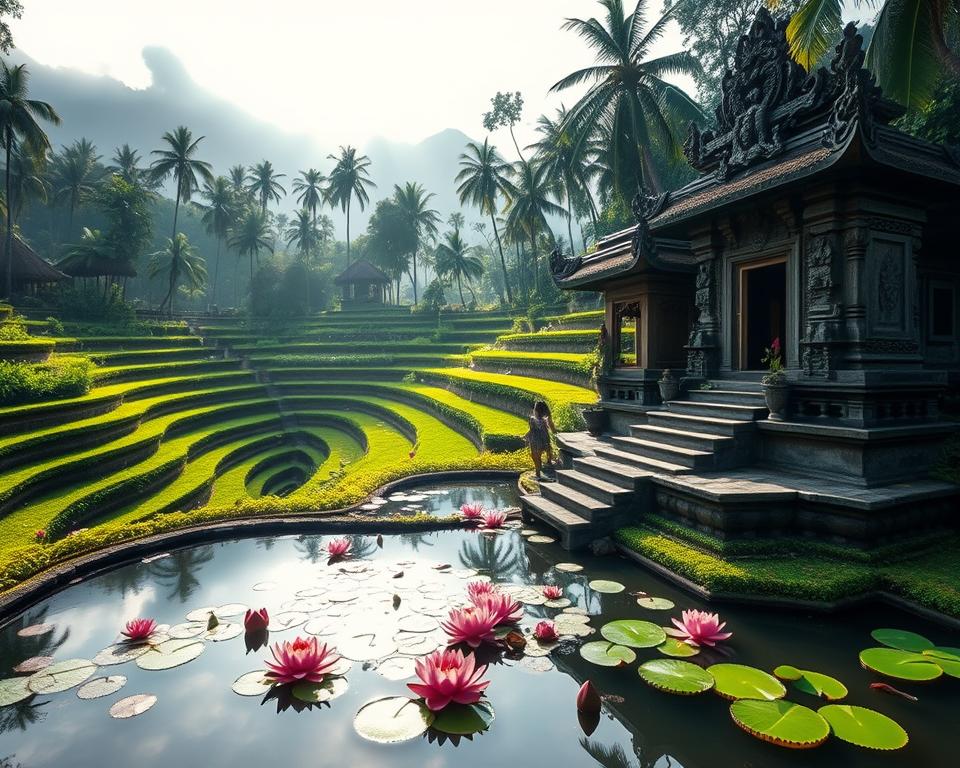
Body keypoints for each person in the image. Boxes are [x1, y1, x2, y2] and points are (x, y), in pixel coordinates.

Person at [525, 401, 556, 480]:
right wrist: (556, 433)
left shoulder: (533, 419)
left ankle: (538, 473)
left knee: (536, 457)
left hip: (535, 440)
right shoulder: (546, 418)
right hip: (544, 439)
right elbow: (552, 427)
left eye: (535, 408)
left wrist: (526, 436)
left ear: (536, 410)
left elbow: (531, 430)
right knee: (546, 452)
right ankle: (547, 464)